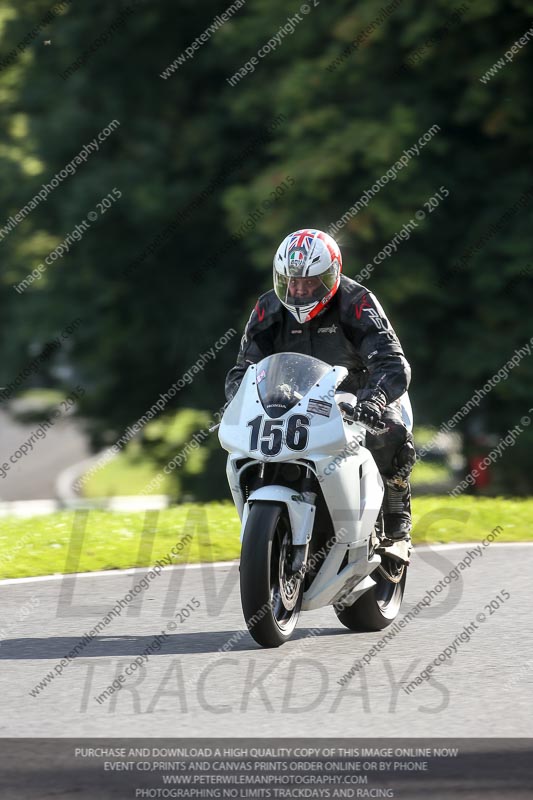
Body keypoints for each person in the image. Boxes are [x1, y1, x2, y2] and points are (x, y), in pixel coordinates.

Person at [224, 228, 416, 541]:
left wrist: (374, 401)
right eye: (292, 282)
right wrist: (238, 399)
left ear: (331, 276)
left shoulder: (357, 303)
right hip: (294, 398)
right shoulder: (268, 308)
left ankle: (396, 505)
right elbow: (244, 368)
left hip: (359, 394)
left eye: (310, 282)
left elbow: (391, 362)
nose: (299, 291)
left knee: (390, 432)